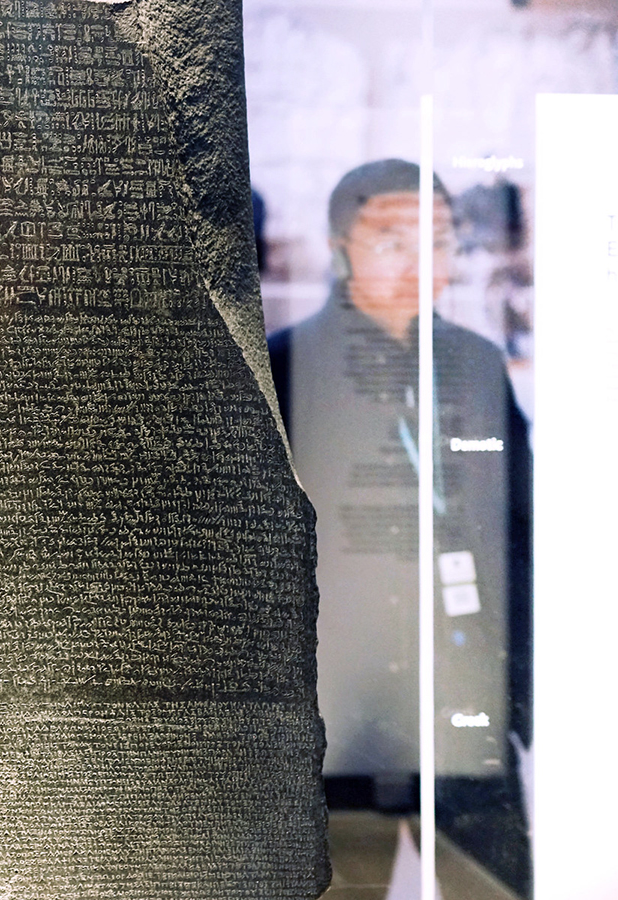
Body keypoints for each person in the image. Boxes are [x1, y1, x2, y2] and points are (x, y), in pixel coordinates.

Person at [267, 159, 532, 894]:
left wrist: (530, 700)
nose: (423, 263)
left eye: (440, 241)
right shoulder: (288, 369)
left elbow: (520, 539)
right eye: (393, 240)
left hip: (462, 700)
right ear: (340, 244)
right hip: (332, 721)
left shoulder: (476, 366)